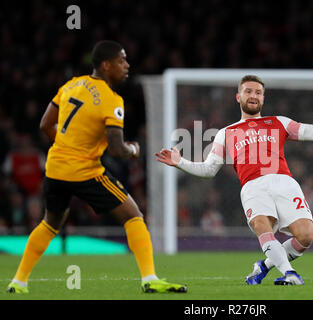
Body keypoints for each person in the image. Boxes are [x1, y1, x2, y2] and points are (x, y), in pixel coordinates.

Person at [6, 40, 187, 294]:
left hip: (55, 168)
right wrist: (134, 150)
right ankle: (150, 279)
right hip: (84, 171)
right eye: (121, 60)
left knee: (50, 223)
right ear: (105, 65)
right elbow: (116, 149)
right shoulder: (111, 99)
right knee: (133, 215)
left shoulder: (71, 84)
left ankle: (19, 282)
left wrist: (68, 143)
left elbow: (45, 125)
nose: (127, 65)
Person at [155, 75, 313, 285]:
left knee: (306, 237)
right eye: (248, 91)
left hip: (284, 182)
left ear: (263, 98)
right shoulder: (226, 133)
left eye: (258, 92)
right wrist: (180, 162)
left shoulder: (279, 122)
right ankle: (290, 273)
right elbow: (209, 169)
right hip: (253, 187)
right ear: (238, 96)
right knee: (263, 227)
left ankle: (264, 266)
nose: (253, 96)